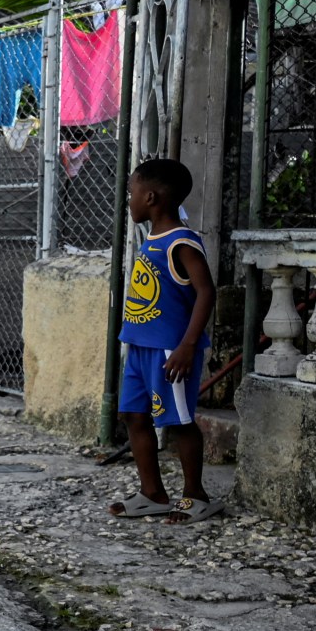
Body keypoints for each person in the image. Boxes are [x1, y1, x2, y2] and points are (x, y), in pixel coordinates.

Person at [108, 157, 221, 525]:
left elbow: (206, 292)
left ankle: (196, 496)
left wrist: (189, 345)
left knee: (179, 420)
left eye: (131, 193)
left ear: (151, 197)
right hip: (140, 346)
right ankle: (153, 493)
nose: (129, 201)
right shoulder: (153, 239)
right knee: (133, 415)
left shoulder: (182, 241)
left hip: (171, 350)